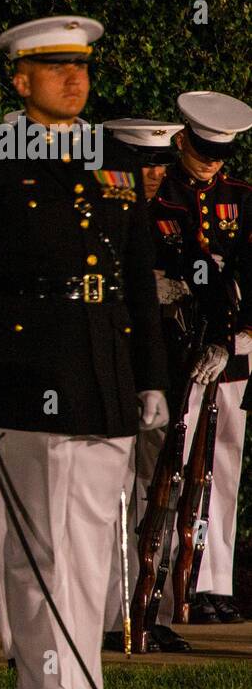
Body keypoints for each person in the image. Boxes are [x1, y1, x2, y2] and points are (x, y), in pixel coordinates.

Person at [0, 16, 167, 689]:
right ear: (20, 78)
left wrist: (152, 374)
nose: (75, 80)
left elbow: (140, 280)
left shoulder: (112, 157)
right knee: (40, 553)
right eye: (58, 68)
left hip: (104, 373)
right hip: (28, 372)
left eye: (83, 67)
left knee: (90, 553)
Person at [147, 92, 252, 626]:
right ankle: (161, 575)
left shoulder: (243, 196)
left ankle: (210, 581)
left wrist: (236, 338)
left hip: (229, 348)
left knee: (222, 464)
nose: (211, 161)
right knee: (172, 463)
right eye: (203, 148)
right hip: (176, 345)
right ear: (182, 139)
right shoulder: (156, 191)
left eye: (221, 152)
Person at [98, 117, 194, 653]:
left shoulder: (177, 216)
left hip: (164, 373)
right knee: (111, 497)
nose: (154, 174)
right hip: (114, 369)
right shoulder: (100, 216)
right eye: (142, 164)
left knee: (160, 493)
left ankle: (146, 608)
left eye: (159, 163)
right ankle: (112, 615)